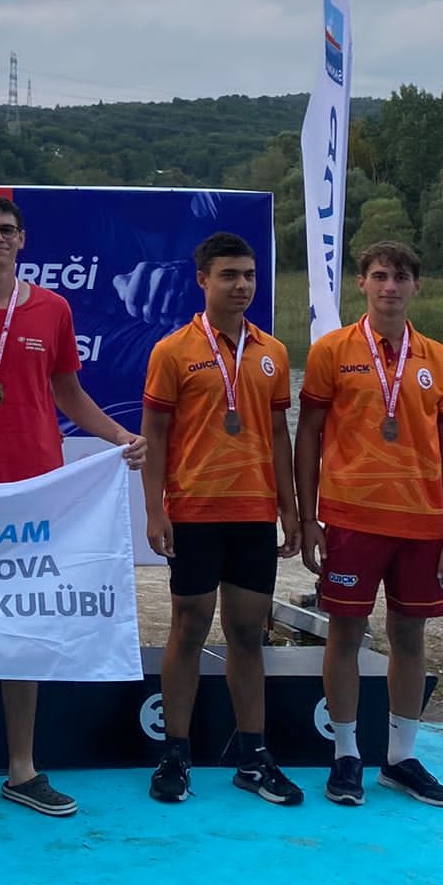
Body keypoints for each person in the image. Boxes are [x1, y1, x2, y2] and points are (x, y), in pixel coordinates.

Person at [0, 194, 145, 819]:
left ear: (22, 240)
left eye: (6, 230)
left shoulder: (53, 309)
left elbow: (68, 392)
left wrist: (119, 436)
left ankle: (22, 768)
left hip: (35, 493)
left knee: (23, 627)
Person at [295, 240, 443, 810]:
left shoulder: (439, 358)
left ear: (416, 286)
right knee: (345, 634)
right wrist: (309, 518)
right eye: (379, 276)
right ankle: (346, 754)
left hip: (422, 524)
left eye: (400, 277)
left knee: (410, 639)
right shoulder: (331, 350)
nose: (390, 286)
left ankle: (400, 758)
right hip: (351, 520)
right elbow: (308, 437)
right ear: (361, 284)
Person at [140, 231, 301, 808]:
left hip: (253, 512)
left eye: (249, 275)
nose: (241, 286)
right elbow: (155, 435)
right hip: (194, 509)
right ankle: (174, 754)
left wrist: (290, 507)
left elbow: (278, 434)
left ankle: (253, 756)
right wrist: (154, 509)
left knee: (247, 634)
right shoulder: (172, 351)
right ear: (202, 280)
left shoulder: (272, 351)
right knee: (188, 628)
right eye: (229, 275)